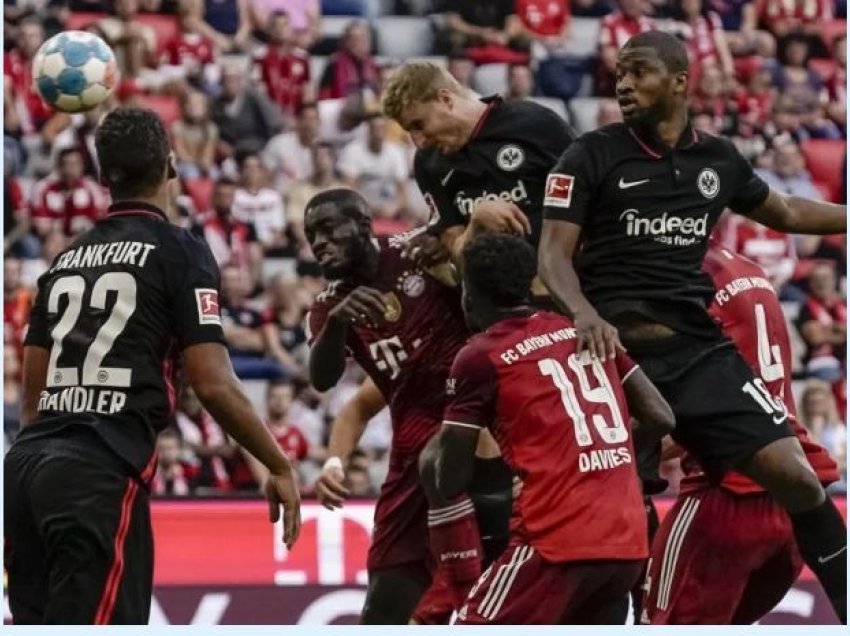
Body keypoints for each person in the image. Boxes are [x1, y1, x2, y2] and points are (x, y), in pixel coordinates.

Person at [537, 30, 847, 623]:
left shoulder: (718, 159)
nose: (623, 83)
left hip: (699, 352)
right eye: (619, 74)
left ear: (680, 80)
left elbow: (782, 210)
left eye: (639, 72)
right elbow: (552, 258)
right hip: (616, 355)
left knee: (800, 481)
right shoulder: (589, 155)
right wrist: (584, 314)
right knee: (613, 511)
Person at [3, 108, 301, 625]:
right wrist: (276, 463)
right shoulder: (180, 251)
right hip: (100, 472)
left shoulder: (64, 260)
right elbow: (212, 381)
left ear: (102, 177)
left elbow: (32, 399)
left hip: (27, 472)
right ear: (171, 164)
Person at [435, 233, 674, 625]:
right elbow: (662, 416)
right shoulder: (581, 328)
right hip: (627, 544)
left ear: (468, 292)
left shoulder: (479, 355)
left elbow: (449, 479)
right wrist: (590, 448)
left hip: (556, 543)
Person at [305, 188, 502, 624]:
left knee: (497, 587)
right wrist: (334, 462)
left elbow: (489, 305)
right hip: (413, 454)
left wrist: (457, 256)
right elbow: (326, 382)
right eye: (309, 235)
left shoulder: (417, 252)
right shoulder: (326, 307)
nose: (317, 242)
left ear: (362, 223)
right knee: (382, 607)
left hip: (480, 429)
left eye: (326, 228)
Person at [642, 242, 840, 624]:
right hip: (793, 497)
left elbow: (669, 414)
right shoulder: (751, 271)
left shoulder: (673, 277)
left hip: (726, 494)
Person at [381, 60, 576, 277]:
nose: (418, 142)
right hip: (490, 298)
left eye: (419, 125)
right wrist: (476, 224)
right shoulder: (428, 163)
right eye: (409, 131)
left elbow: (591, 195)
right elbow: (459, 257)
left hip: (563, 281)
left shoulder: (536, 124)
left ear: (445, 99)